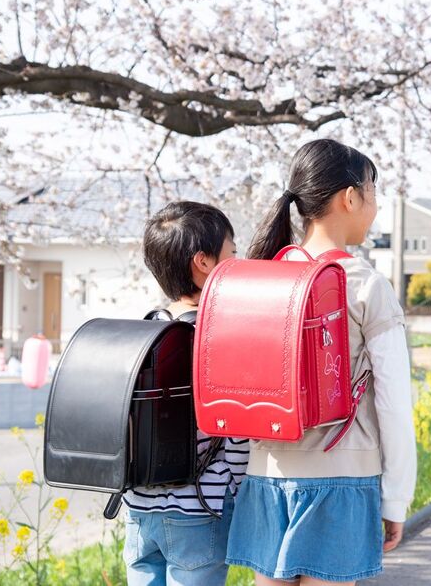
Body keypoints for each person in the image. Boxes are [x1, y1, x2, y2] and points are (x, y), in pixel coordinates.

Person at [226, 139, 416, 585]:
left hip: (266, 478)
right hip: (343, 478)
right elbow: (394, 403)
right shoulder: (367, 286)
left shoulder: (260, 277)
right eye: (373, 193)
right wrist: (396, 500)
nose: (375, 206)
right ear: (350, 198)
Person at [125, 201, 250, 585]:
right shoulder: (219, 339)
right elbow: (236, 431)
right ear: (204, 263)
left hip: (138, 508)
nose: (237, 260)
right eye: (231, 252)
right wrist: (243, 489)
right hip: (199, 509)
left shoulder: (145, 332)